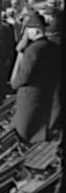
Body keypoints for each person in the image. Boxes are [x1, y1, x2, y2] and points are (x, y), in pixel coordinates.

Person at [10, 12, 61, 144]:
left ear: (36, 31)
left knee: (23, 133)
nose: (26, 34)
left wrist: (20, 52)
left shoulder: (33, 50)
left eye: (28, 30)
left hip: (29, 98)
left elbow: (23, 75)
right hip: (44, 94)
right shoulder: (52, 47)